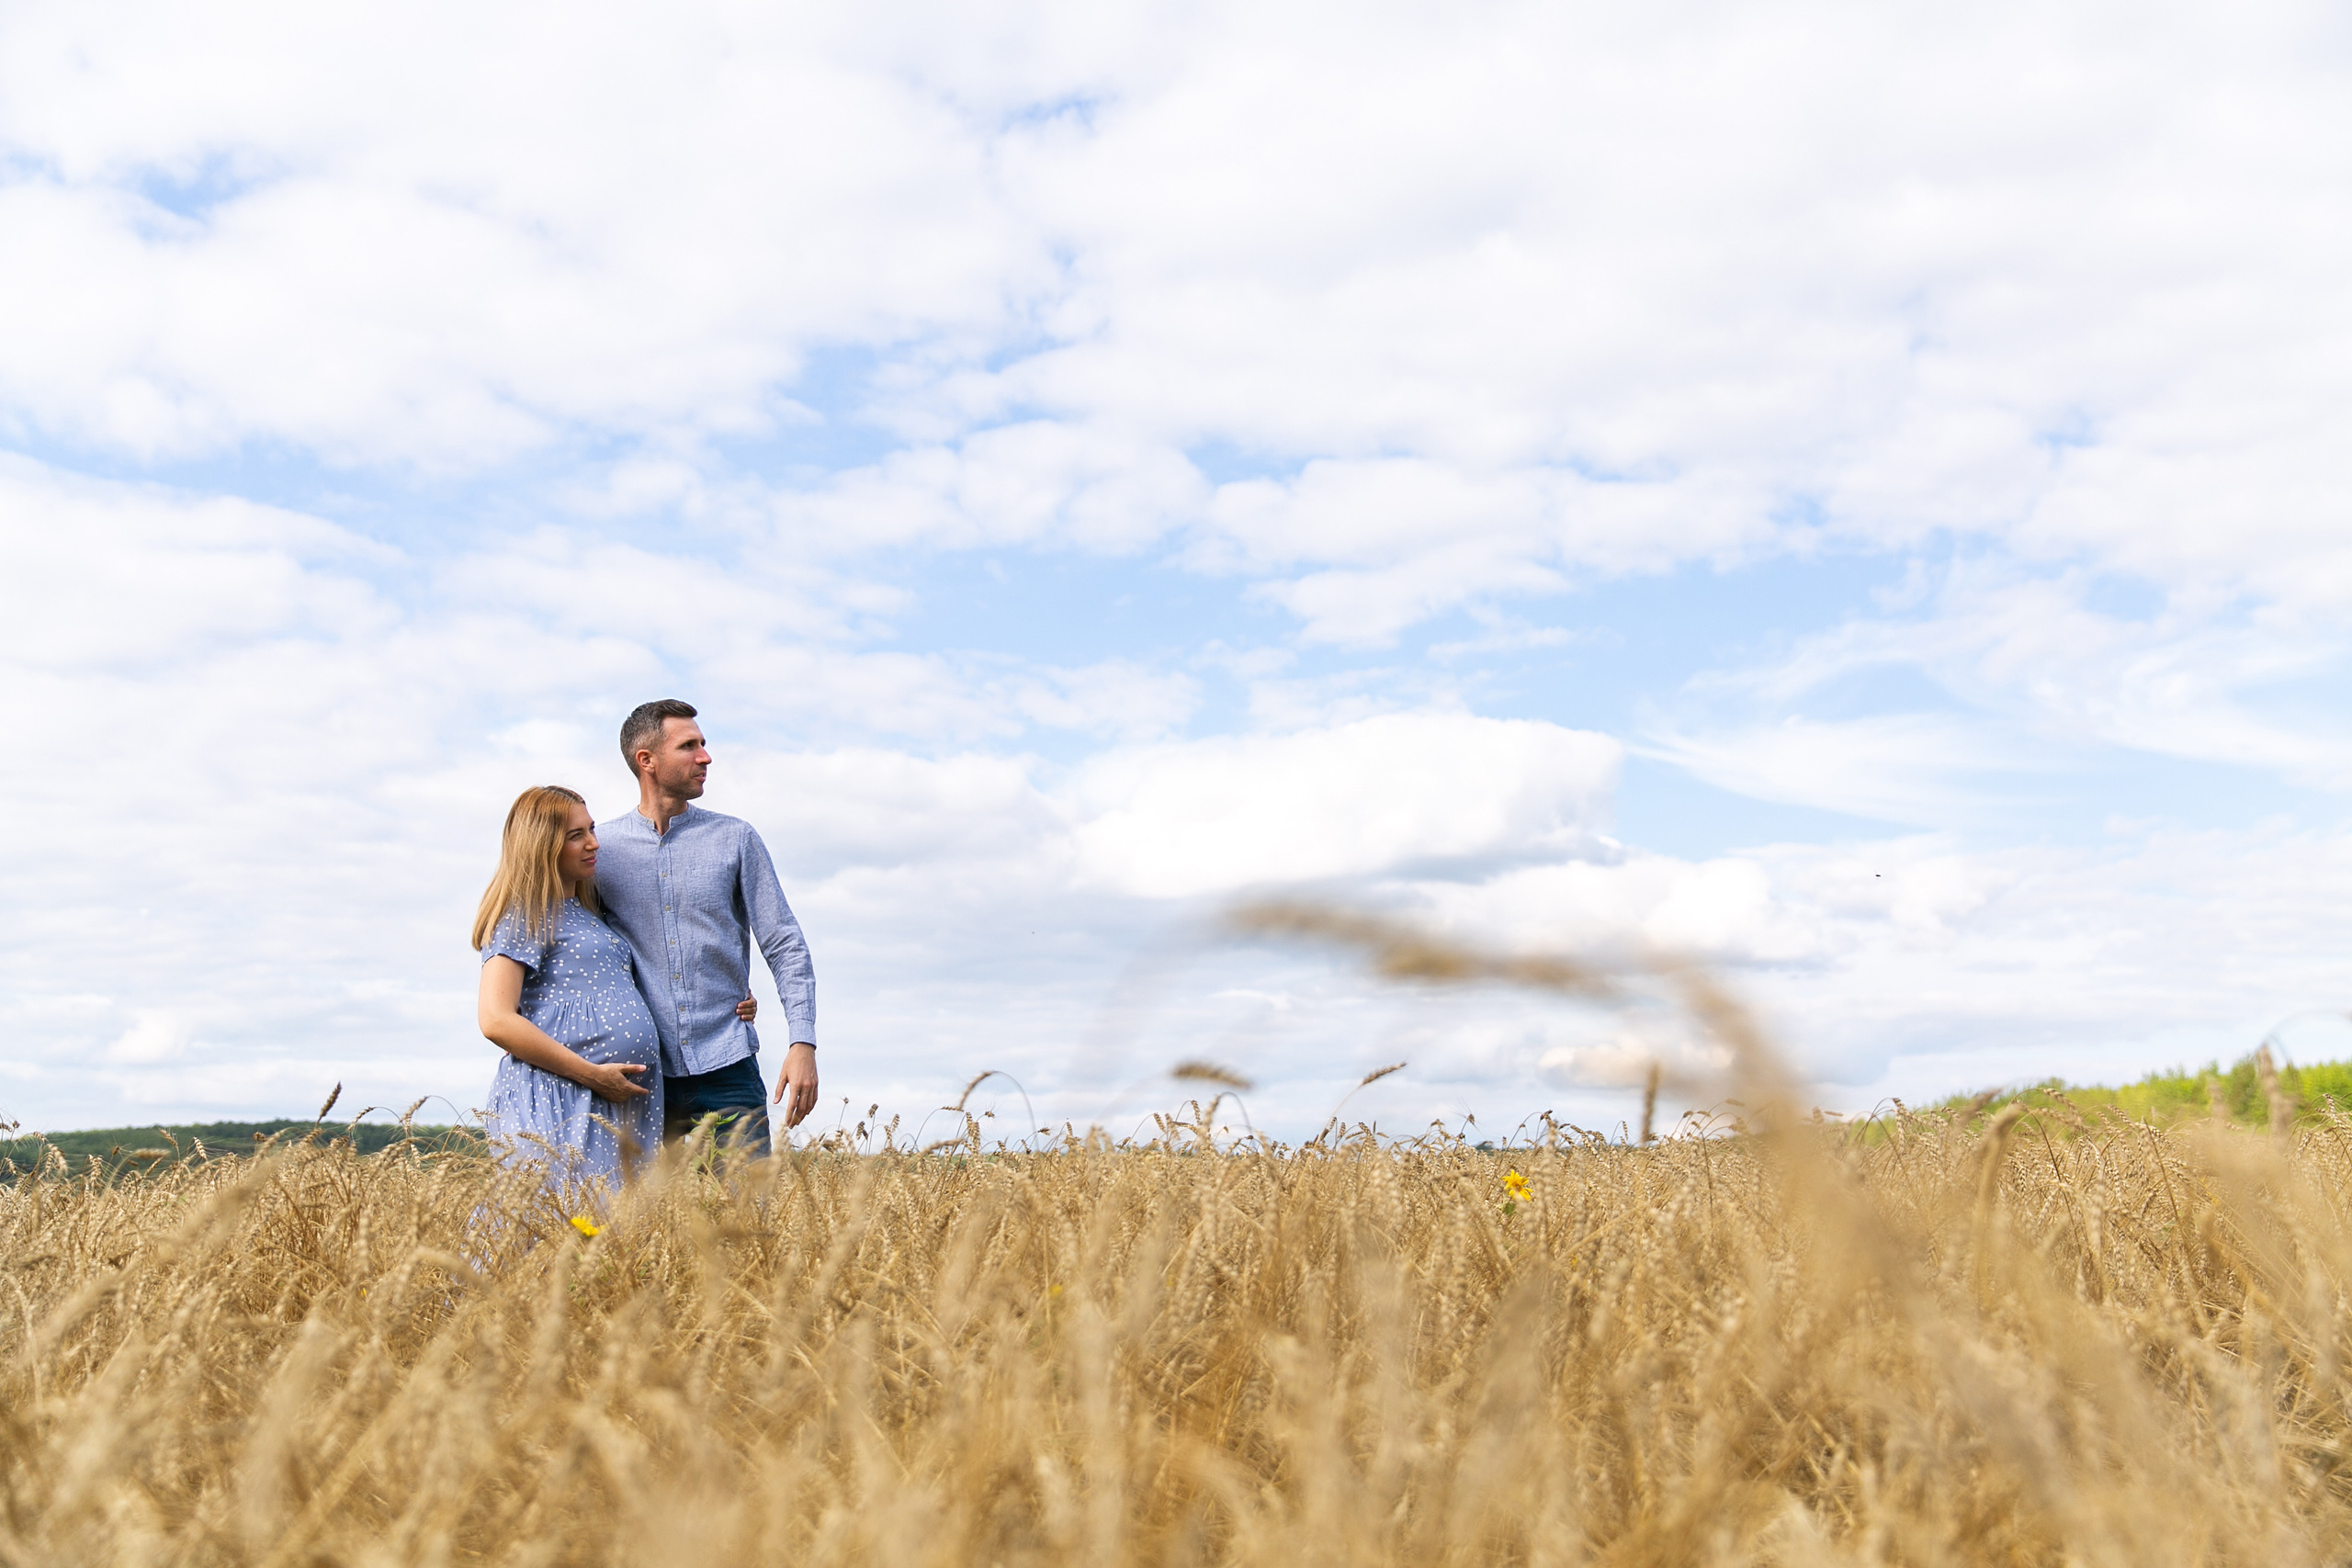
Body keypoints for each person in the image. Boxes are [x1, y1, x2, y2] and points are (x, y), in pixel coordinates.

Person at [595, 700, 819, 1152]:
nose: (705, 757)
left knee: (747, 1218)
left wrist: (803, 1042)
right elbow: (576, 951)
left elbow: (784, 944)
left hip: (729, 1068)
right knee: (650, 1221)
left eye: (704, 744)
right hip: (641, 1076)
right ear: (647, 761)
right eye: (689, 746)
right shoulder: (601, 850)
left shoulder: (736, 839)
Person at [472, 784, 670, 1192]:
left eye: (592, 829)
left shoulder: (585, 913)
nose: (594, 843)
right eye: (575, 835)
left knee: (607, 1246)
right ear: (542, 846)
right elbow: (495, 1019)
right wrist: (594, 1076)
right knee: (552, 1238)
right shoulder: (523, 913)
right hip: (560, 1100)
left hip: (607, 1102)